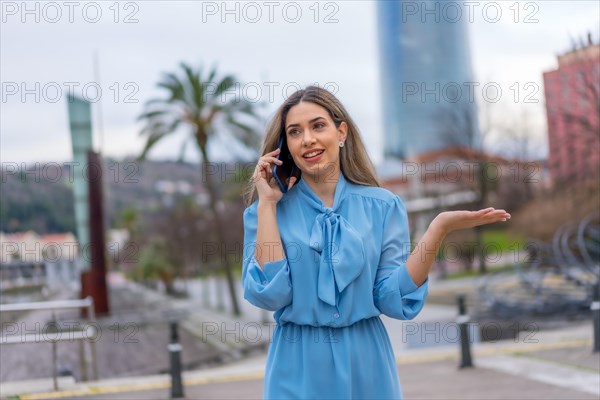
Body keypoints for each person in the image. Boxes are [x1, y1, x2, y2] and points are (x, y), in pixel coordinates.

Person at [241, 86, 510, 399]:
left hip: (367, 362)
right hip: (296, 364)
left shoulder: (383, 206)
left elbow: (391, 297)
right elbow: (270, 294)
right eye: (294, 132)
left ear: (341, 132)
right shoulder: (265, 212)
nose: (308, 139)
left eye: (318, 126)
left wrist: (438, 229)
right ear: (285, 145)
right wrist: (267, 205)